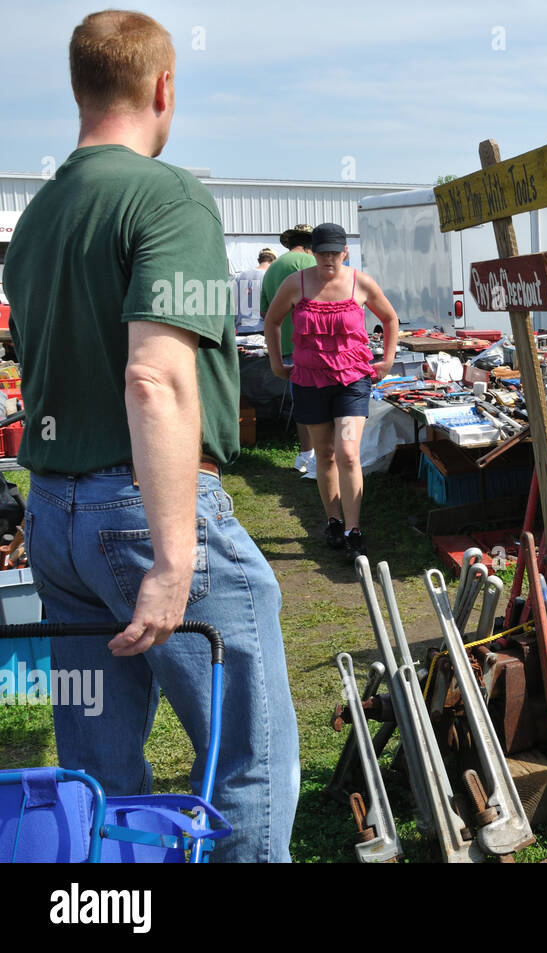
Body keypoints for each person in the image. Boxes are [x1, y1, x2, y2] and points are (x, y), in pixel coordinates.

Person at [2, 9, 298, 862]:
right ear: (164, 87)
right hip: (143, 505)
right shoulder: (169, 198)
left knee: (95, 761)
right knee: (249, 751)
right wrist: (174, 555)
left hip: (55, 511)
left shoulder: (41, 216)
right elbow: (154, 377)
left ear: (78, 88)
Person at [263, 222, 399, 560]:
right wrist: (277, 363)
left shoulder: (361, 282)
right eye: (322, 253)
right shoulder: (296, 283)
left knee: (348, 453)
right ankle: (334, 520)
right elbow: (272, 321)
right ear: (312, 253)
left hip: (352, 381)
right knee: (324, 454)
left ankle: (354, 529)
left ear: (345, 252)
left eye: (334, 253)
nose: (328, 260)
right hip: (309, 382)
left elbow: (390, 318)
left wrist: (387, 359)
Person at [261, 224, 317, 472]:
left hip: (283, 342)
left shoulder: (273, 267)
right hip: (306, 342)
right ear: (311, 245)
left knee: (301, 399)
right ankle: (311, 455)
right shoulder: (306, 262)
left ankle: (305, 453)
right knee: (314, 401)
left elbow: (265, 312)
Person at [233, 247, 276, 332]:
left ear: (259, 260)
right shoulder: (270, 277)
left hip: (242, 329)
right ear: (274, 261)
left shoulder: (240, 276)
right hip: (261, 329)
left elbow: (233, 304)